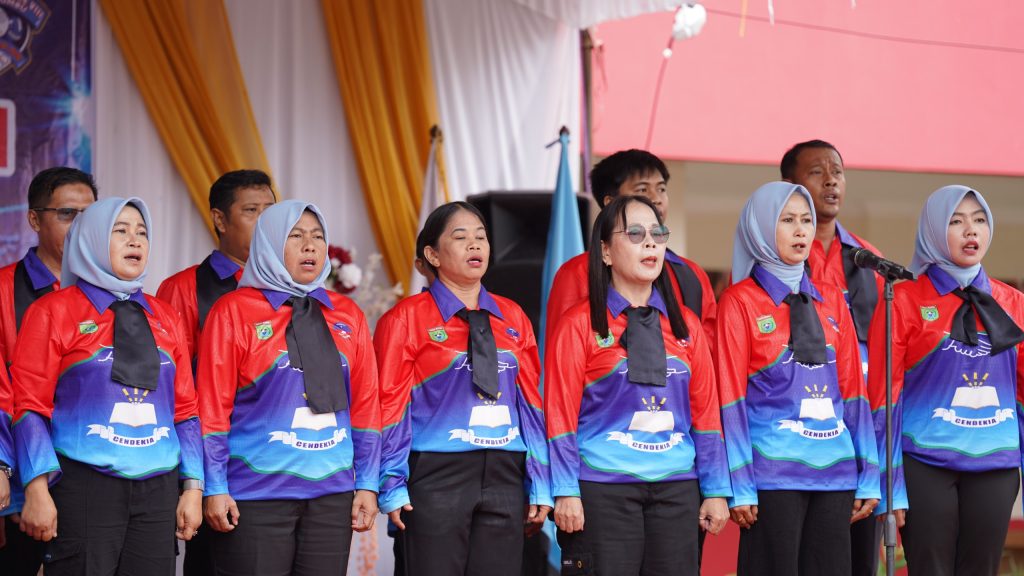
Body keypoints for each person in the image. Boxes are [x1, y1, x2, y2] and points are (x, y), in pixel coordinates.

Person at [11, 197, 203, 575]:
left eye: (142, 233)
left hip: (159, 486)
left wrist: (193, 487)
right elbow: (29, 405)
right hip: (84, 484)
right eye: (121, 231)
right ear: (92, 240)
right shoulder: (53, 311)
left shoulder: (166, 316)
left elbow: (185, 411)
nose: (135, 240)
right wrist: (35, 488)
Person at [546, 195, 731, 574]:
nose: (650, 243)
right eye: (634, 234)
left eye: (657, 234)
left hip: (678, 487)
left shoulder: (687, 326)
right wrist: (565, 489)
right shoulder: (579, 324)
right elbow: (559, 415)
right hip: (602, 488)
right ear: (605, 252)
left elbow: (707, 415)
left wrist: (715, 489)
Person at [198, 200, 380, 575]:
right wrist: (213, 485)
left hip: (332, 494)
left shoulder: (347, 314)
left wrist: (367, 483)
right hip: (254, 494)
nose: (310, 245)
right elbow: (212, 407)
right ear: (268, 244)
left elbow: (366, 406)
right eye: (295, 236)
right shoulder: (233, 311)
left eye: (317, 236)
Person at [374, 201, 552, 576]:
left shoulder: (513, 316)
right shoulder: (405, 319)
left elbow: (532, 405)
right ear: (432, 255)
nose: (475, 245)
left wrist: (539, 479)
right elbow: (389, 406)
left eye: (481, 237)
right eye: (460, 237)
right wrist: (391, 482)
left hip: (506, 472)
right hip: (436, 473)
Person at [717, 182, 879, 576]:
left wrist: (870, 473)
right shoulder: (739, 301)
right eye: (787, 220)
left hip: (836, 474)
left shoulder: (832, 299)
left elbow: (854, 395)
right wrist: (739, 481)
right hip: (772, 476)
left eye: (806, 220)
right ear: (760, 228)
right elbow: (730, 398)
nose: (801, 230)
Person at [868, 185, 1024, 575]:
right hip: (924, 463)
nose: (971, 230)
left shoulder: (1013, 303)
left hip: (996, 463)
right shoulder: (902, 300)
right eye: (956, 222)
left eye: (980, 220)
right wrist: (888, 482)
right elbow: (883, 398)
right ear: (935, 231)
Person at [156, 170, 274, 576]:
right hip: (211, 458)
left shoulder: (295, 292)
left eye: (271, 211)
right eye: (252, 211)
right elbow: (172, 384)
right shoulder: (184, 288)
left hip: (275, 458)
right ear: (220, 219)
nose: (265, 222)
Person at [781, 139, 885, 574]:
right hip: (796, 431)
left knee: (856, 558)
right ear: (789, 185)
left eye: (837, 172)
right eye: (816, 172)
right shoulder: (773, 261)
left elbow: (885, 349)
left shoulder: (869, 259)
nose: (830, 181)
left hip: (862, 425)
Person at [0, 167, 96, 574]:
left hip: (92, 470)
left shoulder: (113, 296)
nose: (81, 226)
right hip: (17, 470)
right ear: (35, 220)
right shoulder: (5, 288)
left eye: (90, 215)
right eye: (68, 214)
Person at [545, 149, 717, 349]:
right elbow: (562, 349)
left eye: (662, 189)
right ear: (610, 203)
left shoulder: (692, 273)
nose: (656, 198)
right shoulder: (577, 271)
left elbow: (707, 350)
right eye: (642, 190)